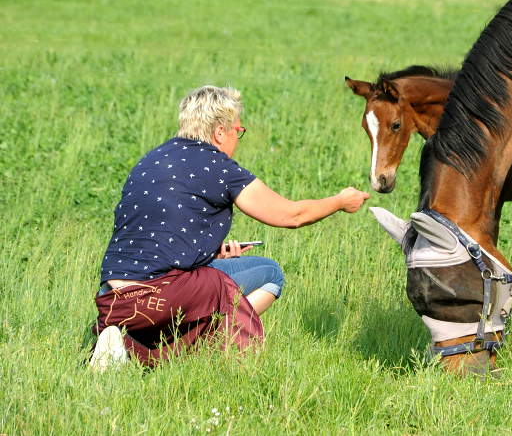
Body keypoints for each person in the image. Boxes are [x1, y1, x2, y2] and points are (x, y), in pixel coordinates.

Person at [89, 85, 369, 370]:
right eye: (239, 130)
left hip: (112, 300)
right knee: (271, 274)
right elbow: (292, 215)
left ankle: (122, 345)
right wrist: (340, 201)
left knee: (210, 279)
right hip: (163, 298)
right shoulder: (218, 166)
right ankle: (202, 350)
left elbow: (157, 237)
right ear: (220, 132)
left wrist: (210, 255)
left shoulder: (148, 161)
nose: (238, 137)